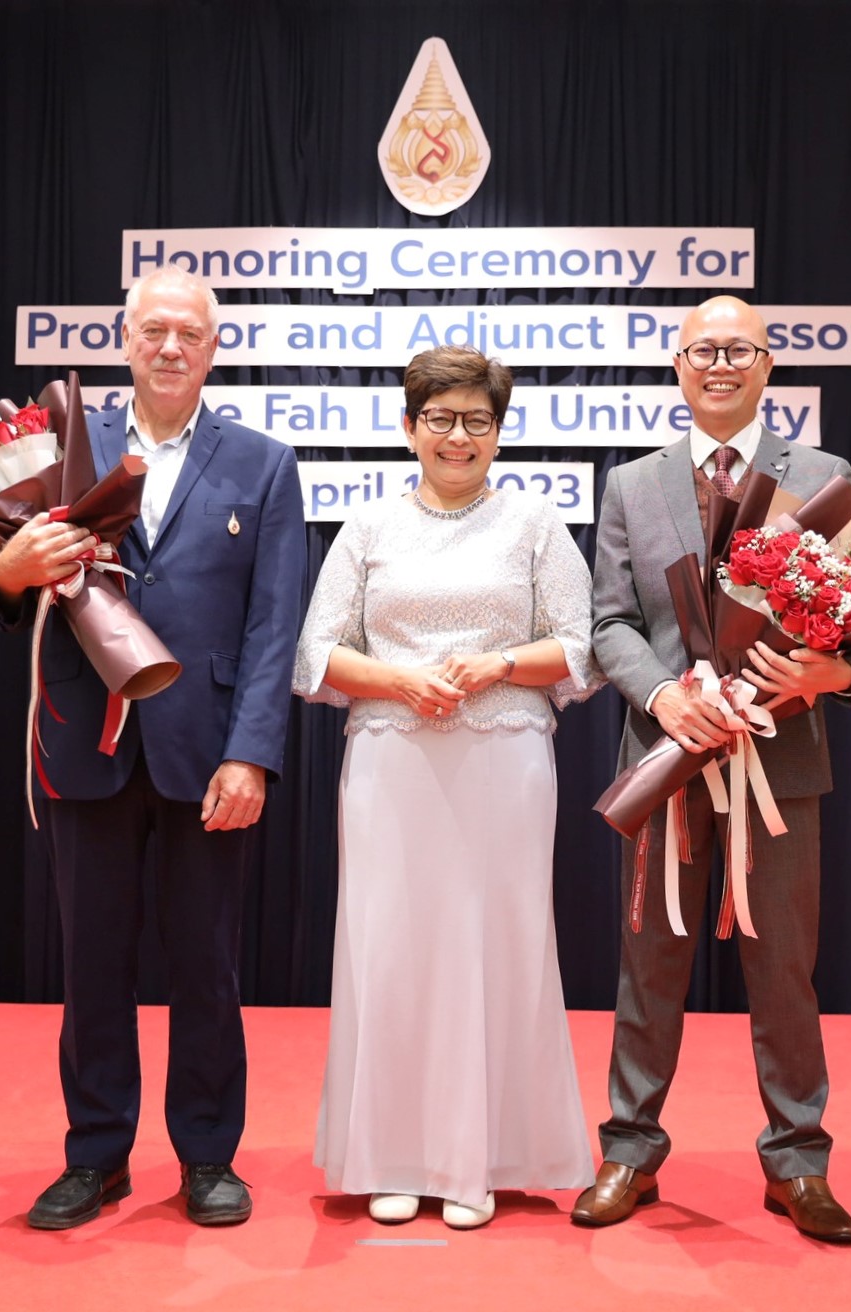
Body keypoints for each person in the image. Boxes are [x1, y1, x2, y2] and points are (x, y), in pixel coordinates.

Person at [0, 267, 305, 1230]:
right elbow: (3, 594)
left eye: (190, 335)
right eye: (154, 330)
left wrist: (251, 753)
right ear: (126, 340)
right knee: (91, 966)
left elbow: (274, 625)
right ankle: (95, 1157)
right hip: (87, 744)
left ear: (214, 350)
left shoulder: (262, 463)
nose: (171, 348)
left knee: (204, 965)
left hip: (205, 755)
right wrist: (7, 570)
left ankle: (207, 1155)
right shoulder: (62, 453)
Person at [576, 295, 851, 1243]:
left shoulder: (823, 475)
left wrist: (838, 669)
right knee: (649, 966)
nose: (720, 363)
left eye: (739, 349)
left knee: (784, 970)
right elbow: (608, 625)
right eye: (702, 349)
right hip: (669, 757)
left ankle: (797, 1161)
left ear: (768, 365)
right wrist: (663, 697)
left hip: (779, 760)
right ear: (677, 366)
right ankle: (629, 1148)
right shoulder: (632, 485)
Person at [293, 344, 599, 1229]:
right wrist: (397, 680)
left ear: (498, 433)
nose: (457, 436)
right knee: (390, 951)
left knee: (495, 946)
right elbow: (315, 653)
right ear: (408, 426)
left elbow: (579, 649)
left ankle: (483, 1160)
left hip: (504, 764)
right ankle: (393, 1154)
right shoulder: (368, 529)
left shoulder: (536, 523)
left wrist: (499, 662)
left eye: (476, 420)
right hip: (391, 763)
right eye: (440, 418)